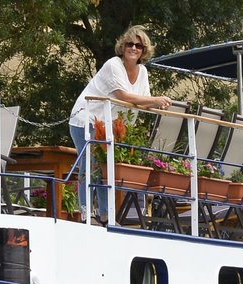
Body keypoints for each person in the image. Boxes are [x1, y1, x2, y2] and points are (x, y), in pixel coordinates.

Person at [69, 26, 172, 220]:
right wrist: (156, 100)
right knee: (90, 166)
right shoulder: (113, 65)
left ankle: (106, 215)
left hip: (110, 126)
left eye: (138, 45)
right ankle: (85, 213)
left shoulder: (142, 72)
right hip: (86, 119)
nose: (133, 48)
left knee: (105, 169)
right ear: (122, 47)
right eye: (129, 44)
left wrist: (161, 104)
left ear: (144, 50)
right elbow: (122, 96)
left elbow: (144, 102)